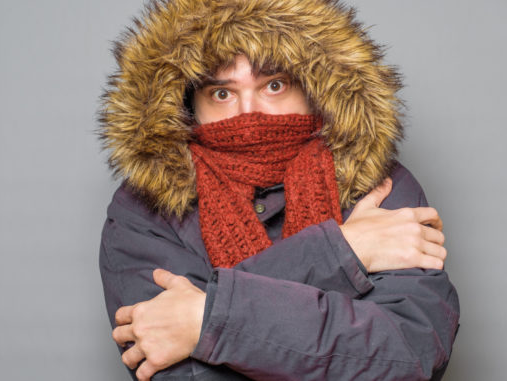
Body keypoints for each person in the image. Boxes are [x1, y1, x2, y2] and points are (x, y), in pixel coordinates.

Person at [98, 0, 460, 380]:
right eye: (222, 93)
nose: (248, 113)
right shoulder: (144, 208)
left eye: (274, 85)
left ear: (315, 87)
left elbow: (407, 354)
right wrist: (341, 252)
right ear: (188, 102)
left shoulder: (380, 187)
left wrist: (206, 318)